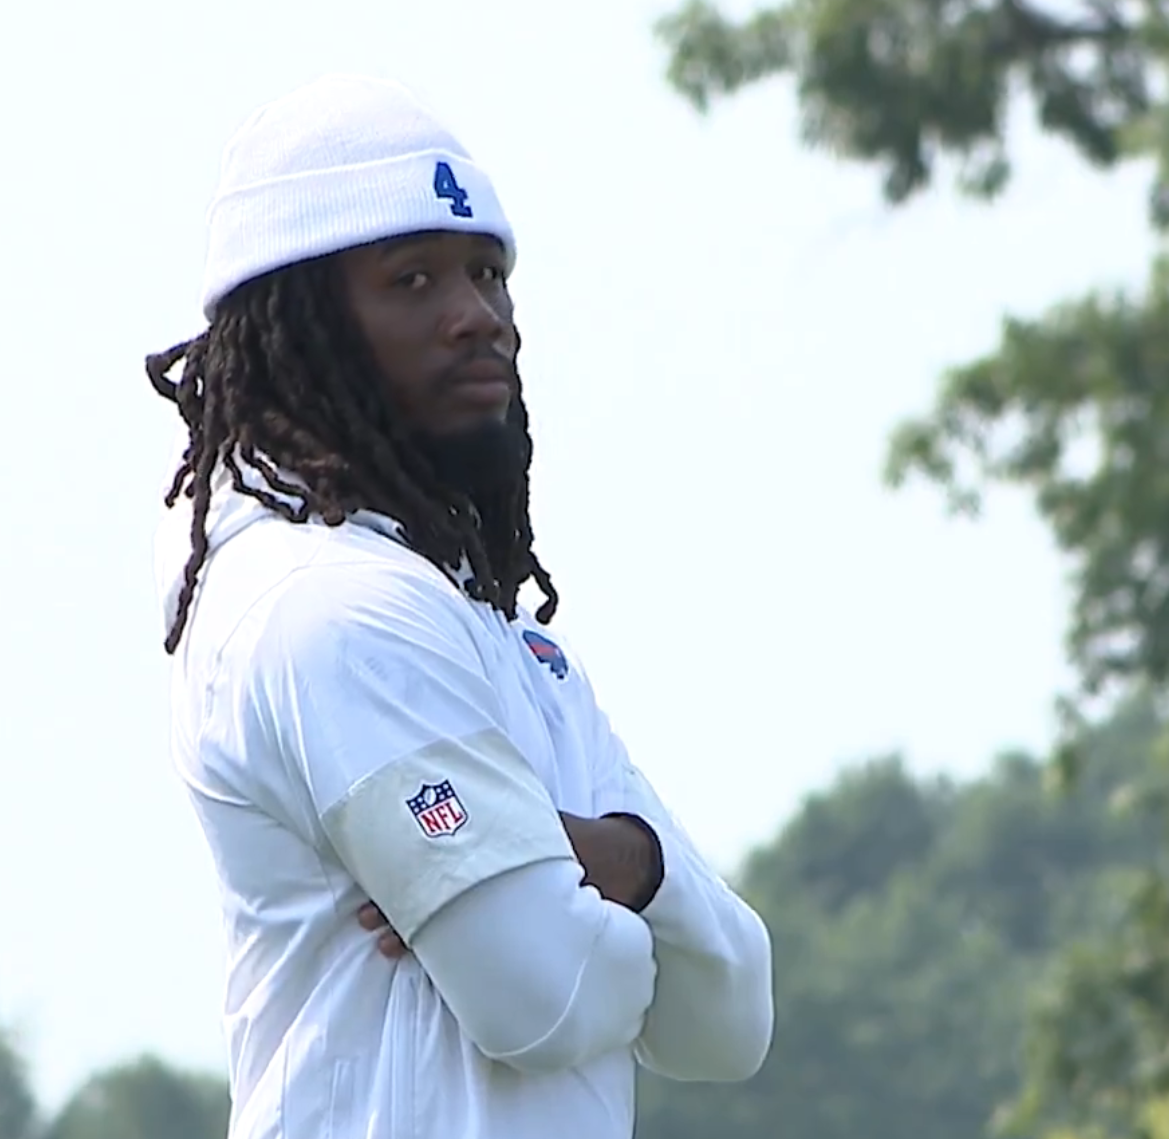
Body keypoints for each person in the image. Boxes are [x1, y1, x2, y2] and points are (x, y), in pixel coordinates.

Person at [146, 74, 775, 1138]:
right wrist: (587, 894)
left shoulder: (505, 637)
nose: (476, 316)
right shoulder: (327, 610)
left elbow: (731, 1016)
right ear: (301, 321)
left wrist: (620, 859)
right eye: (414, 278)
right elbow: (549, 997)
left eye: (488, 273)